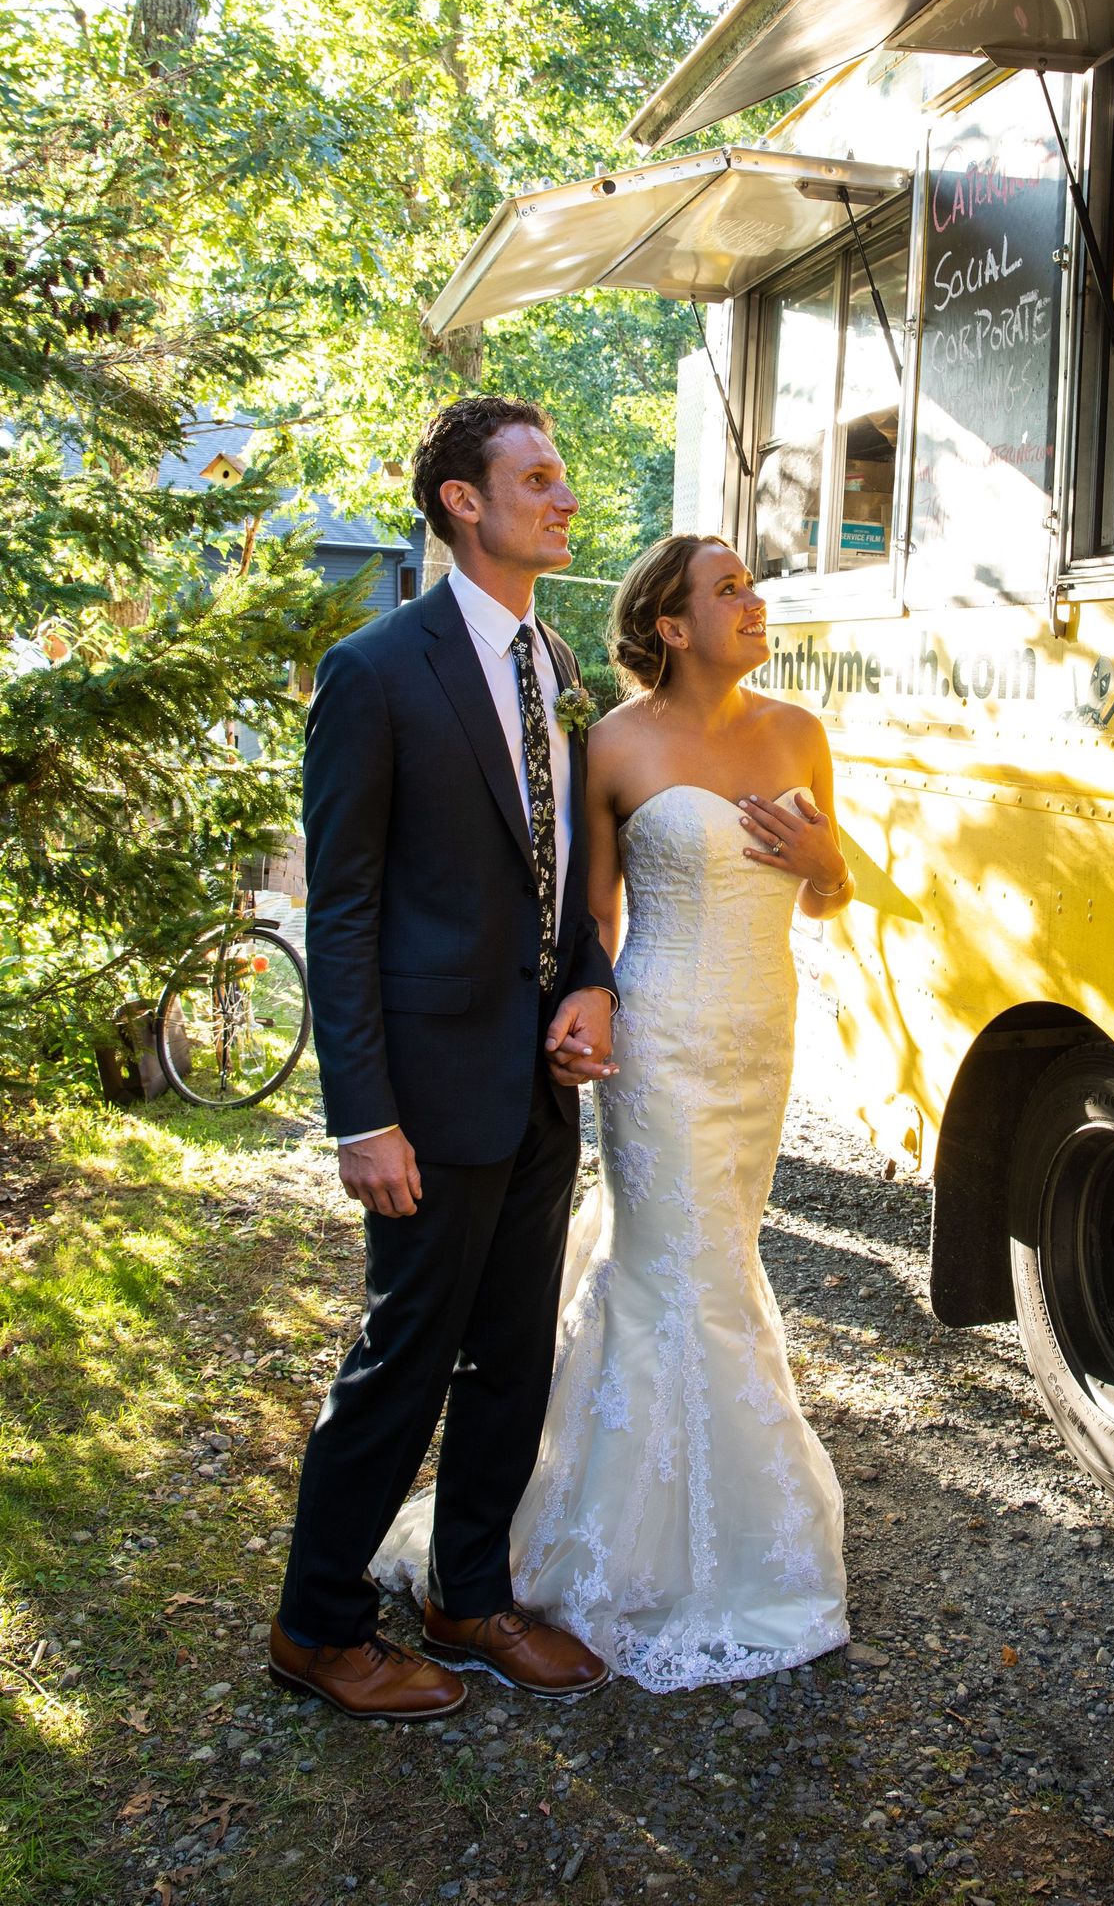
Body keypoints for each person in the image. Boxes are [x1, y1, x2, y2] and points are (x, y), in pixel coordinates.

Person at [376, 533, 854, 1691]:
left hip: (759, 1037)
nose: (755, 600)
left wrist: (830, 856)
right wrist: (581, 1017)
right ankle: (649, 1553)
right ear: (674, 627)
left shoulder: (800, 735)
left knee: (723, 1258)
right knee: (678, 1275)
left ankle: (713, 1529)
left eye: (752, 585)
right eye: (729, 588)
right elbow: (590, 922)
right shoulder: (613, 746)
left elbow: (833, 890)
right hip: (664, 1042)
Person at [269, 397, 621, 1720]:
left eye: (563, 476)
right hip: (423, 1093)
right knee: (404, 1357)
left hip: (539, 1085)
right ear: (461, 501)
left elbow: (570, 871)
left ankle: (467, 1593)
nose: (563, 499)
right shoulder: (376, 671)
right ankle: (316, 1623)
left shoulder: (557, 662)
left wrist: (591, 982)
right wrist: (362, 1112)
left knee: (513, 1353)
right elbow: (343, 905)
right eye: (538, 476)